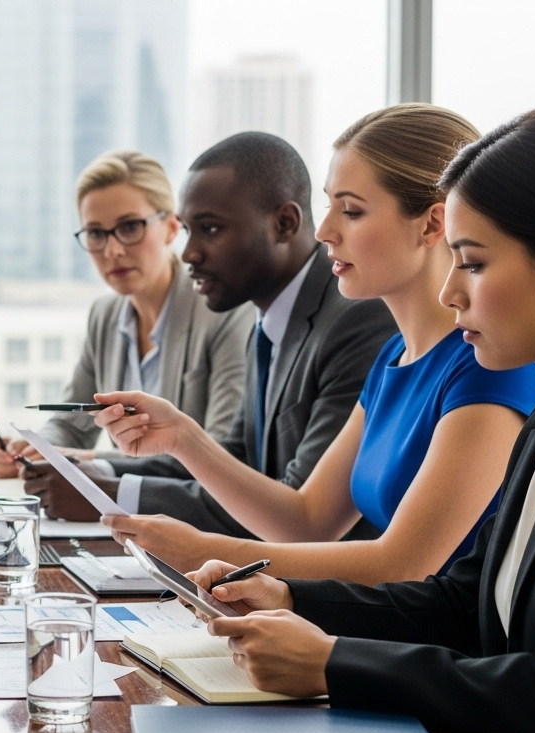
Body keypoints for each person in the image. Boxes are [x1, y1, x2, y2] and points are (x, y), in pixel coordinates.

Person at [188, 104, 535, 733]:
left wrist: (334, 664)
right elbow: (464, 603)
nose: (452, 293)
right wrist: (290, 597)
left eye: (475, 264)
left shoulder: (509, 397)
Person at [92, 106, 535, 583]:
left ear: (432, 225)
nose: (325, 231)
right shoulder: (394, 357)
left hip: (435, 651)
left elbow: (403, 565)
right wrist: (183, 437)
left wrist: (204, 551)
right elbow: (305, 521)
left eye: (350, 211)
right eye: (329, 205)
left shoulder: (487, 365)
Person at [25, 132, 397, 542]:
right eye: (189, 230)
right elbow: (233, 463)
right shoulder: (271, 317)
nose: (190, 253)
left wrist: (110, 493)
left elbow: (297, 512)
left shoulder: (355, 320)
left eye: (211, 229)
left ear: (284, 223)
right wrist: (101, 472)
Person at [0, 150, 253, 479]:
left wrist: (87, 459)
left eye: (129, 227)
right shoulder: (105, 315)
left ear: (171, 227)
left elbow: (221, 453)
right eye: (96, 233)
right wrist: (33, 450)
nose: (112, 250)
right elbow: (72, 426)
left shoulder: (222, 312)